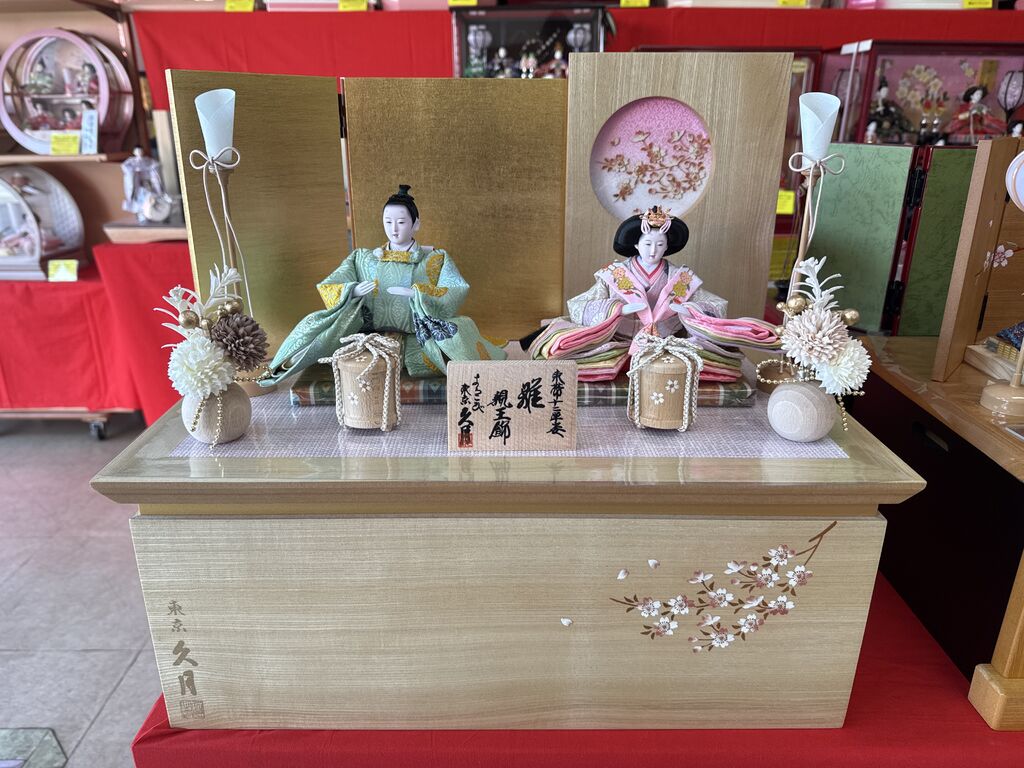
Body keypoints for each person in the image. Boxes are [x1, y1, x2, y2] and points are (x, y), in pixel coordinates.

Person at [265, 184, 505, 384]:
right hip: (367, 336)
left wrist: (419, 294)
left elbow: (456, 288)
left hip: (420, 337)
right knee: (319, 335)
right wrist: (352, 291)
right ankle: (276, 369)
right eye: (388, 222)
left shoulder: (435, 259)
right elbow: (331, 284)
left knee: (460, 342)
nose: (394, 229)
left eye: (401, 222)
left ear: (416, 224)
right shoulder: (363, 258)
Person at [530, 207, 777, 382]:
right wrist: (617, 309)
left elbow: (716, 305)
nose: (653, 251)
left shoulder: (680, 277)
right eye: (647, 244)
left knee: (710, 365)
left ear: (667, 246)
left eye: (660, 245)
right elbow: (579, 305)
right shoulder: (615, 274)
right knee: (584, 364)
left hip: (667, 346)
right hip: (619, 345)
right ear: (636, 245)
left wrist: (691, 310)